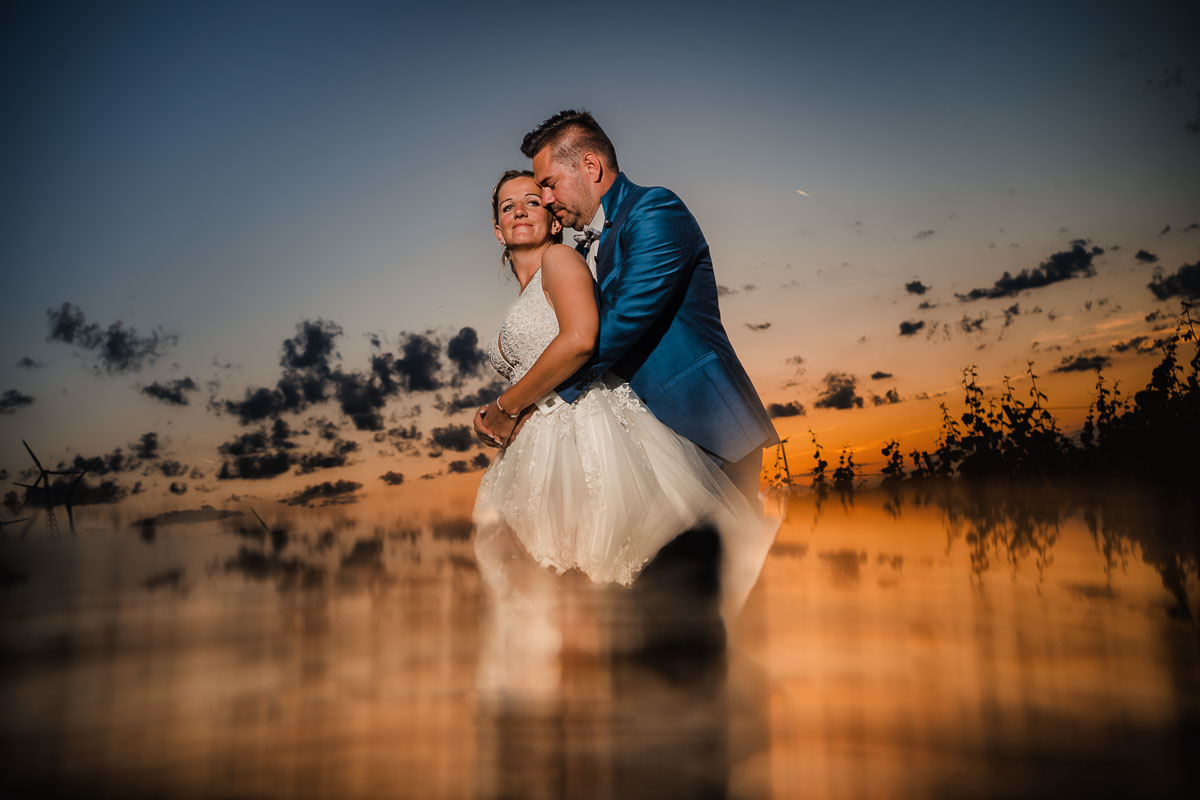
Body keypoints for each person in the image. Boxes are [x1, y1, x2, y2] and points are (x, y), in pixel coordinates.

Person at [471, 168, 776, 697]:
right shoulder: (520, 295)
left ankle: (651, 698)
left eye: (531, 199)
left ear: (551, 215)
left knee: (608, 571)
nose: (520, 209)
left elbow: (581, 341)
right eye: (506, 206)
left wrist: (504, 407)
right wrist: (511, 416)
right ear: (497, 230)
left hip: (587, 432)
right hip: (535, 450)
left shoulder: (561, 260)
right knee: (549, 590)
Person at [475, 110, 779, 509]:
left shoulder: (654, 210)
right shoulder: (579, 250)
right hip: (636, 440)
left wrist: (528, 403)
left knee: (724, 562)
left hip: (702, 423)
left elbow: (623, 321)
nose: (546, 200)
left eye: (548, 185)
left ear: (590, 165)